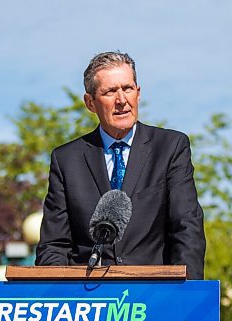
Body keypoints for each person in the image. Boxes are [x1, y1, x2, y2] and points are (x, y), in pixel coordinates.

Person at [35, 51, 205, 279]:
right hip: (87, 300)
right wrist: (57, 299)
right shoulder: (66, 159)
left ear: (138, 93)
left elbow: (186, 229)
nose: (122, 100)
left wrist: (187, 295)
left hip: (153, 296)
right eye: (110, 92)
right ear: (90, 102)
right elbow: (54, 245)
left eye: (127, 88)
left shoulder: (170, 147)